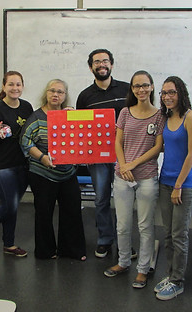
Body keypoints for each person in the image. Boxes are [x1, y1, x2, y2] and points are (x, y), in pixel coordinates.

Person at [103, 70, 165, 289]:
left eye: (145, 85)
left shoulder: (159, 115)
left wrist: (132, 164)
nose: (141, 90)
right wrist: (123, 165)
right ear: (132, 89)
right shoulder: (125, 113)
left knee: (145, 226)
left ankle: (143, 269)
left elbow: (157, 147)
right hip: (122, 177)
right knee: (122, 225)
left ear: (151, 87)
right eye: (137, 86)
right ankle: (123, 262)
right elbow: (117, 142)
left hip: (146, 177)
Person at [21, 79, 86, 261]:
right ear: (46, 93)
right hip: (42, 173)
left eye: (60, 92)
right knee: (43, 213)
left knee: (72, 212)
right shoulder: (36, 117)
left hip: (68, 173)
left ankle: (72, 250)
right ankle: (46, 251)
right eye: (52, 91)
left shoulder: (69, 115)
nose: (56, 94)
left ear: (65, 96)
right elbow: (25, 142)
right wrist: (42, 158)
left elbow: (83, 136)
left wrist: (73, 118)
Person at [76, 48, 132, 258]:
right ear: (91, 67)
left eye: (105, 61)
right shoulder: (85, 96)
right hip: (97, 156)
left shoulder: (128, 90)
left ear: (112, 64)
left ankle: (124, 243)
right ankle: (105, 240)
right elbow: (80, 129)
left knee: (124, 199)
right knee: (101, 199)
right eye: (97, 62)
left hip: (124, 155)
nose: (102, 65)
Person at [153, 76, 192, 300]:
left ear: (180, 92)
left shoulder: (190, 117)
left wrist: (178, 185)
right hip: (165, 182)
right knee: (168, 235)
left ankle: (178, 282)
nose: (167, 97)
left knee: (180, 236)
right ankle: (170, 275)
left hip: (184, 185)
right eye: (163, 93)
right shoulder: (166, 116)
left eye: (171, 92)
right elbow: (160, 147)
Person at [0, 71, 34, 257]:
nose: (15, 88)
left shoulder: (27, 107)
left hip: (23, 164)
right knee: (10, 205)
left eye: (18, 84)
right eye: (11, 84)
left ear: (22, 86)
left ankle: (8, 244)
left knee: (13, 204)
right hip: (3, 165)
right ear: (4, 87)